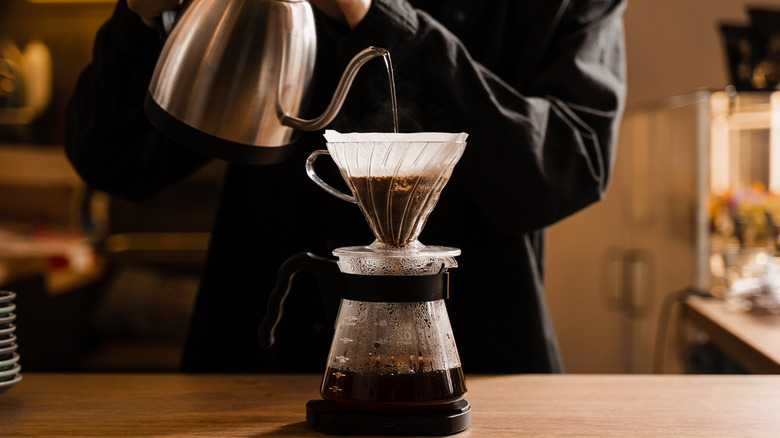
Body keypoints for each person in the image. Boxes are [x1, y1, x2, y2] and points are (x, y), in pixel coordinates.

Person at [66, 0, 626, 374]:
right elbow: (117, 164)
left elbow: (569, 167)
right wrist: (139, 20)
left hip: (478, 372)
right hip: (255, 365)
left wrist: (376, 16)